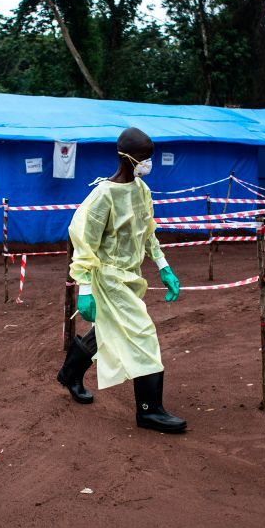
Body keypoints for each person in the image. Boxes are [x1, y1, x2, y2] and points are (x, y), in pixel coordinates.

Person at [56, 127, 187, 433]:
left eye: (149, 158)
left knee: (108, 329)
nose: (148, 164)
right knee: (141, 332)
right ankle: (149, 410)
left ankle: (70, 373)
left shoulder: (141, 190)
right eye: (144, 158)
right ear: (127, 158)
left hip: (130, 275)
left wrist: (163, 266)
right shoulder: (103, 196)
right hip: (108, 276)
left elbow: (148, 231)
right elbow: (83, 241)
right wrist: (85, 289)